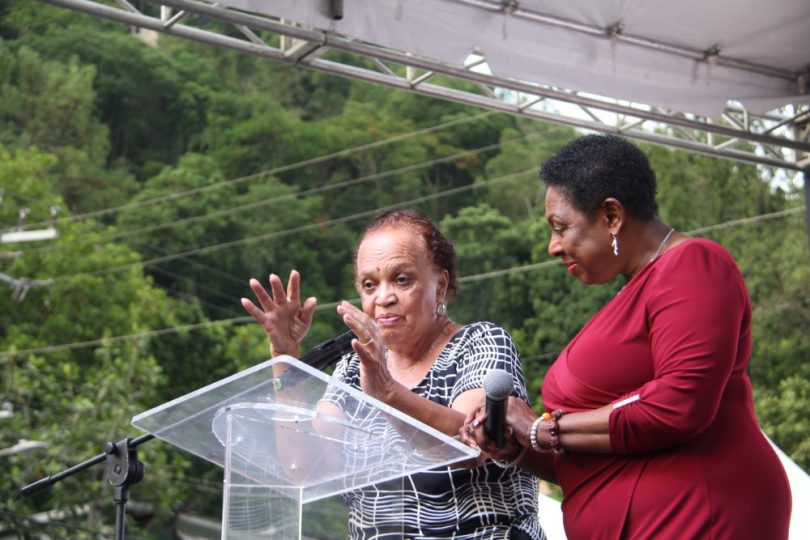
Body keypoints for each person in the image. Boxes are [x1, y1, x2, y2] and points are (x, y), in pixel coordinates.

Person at [459, 134, 792, 539]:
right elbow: (587, 463)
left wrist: (542, 430)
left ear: (612, 215)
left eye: (561, 228)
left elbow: (678, 405)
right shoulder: (634, 291)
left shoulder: (693, 265)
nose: (552, 247)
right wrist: (518, 445)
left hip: (702, 515)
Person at [242, 209, 545, 539]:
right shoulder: (354, 366)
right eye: (369, 285)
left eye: (402, 280)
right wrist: (286, 362)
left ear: (440, 286)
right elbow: (306, 468)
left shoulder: (479, 343)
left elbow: (469, 445)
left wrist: (387, 393)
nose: (383, 298)